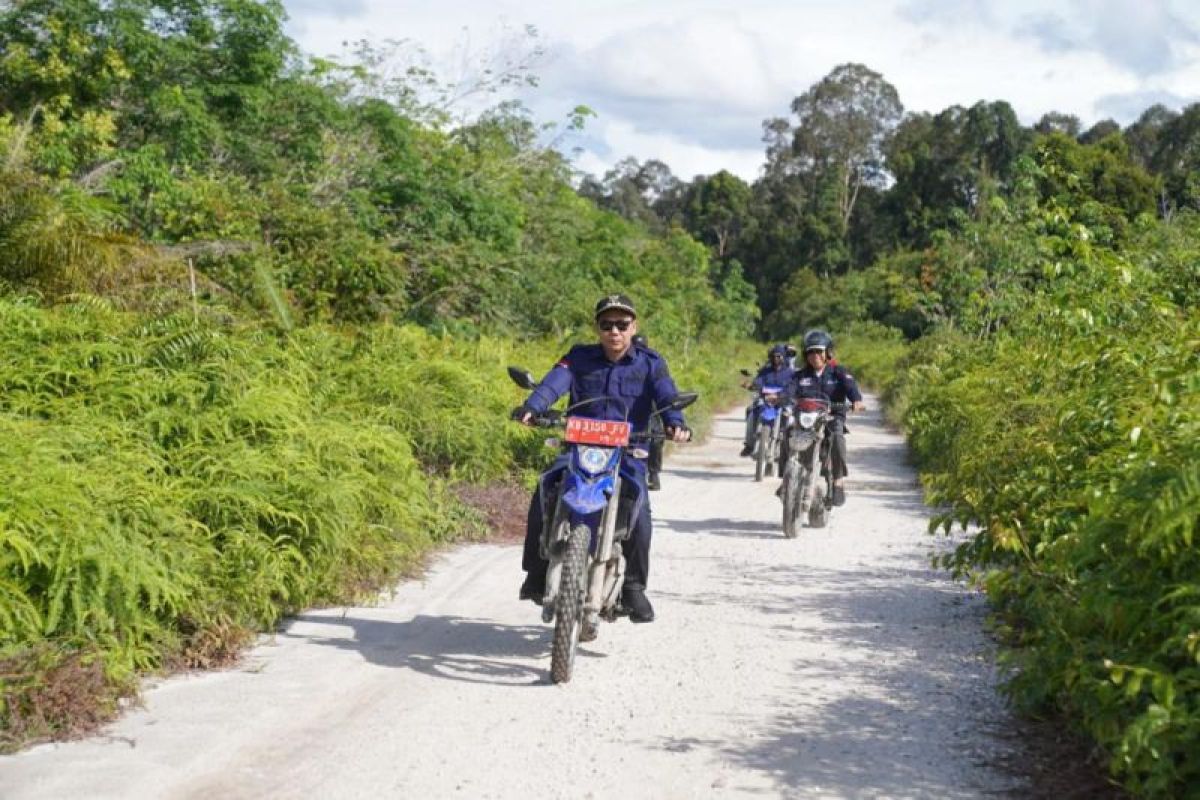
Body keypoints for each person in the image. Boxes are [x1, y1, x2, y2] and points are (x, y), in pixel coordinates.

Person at [512, 294, 690, 623]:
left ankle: (634, 587)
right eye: (607, 325)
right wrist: (532, 407)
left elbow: (666, 393)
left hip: (627, 455)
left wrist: (675, 423)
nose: (614, 332)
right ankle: (536, 573)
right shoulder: (579, 358)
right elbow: (554, 383)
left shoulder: (650, 363)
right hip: (578, 450)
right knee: (544, 491)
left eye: (622, 325)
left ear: (633, 327)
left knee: (641, 515)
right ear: (598, 328)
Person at [784, 329, 865, 505]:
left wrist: (856, 400)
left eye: (818, 351)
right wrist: (785, 401)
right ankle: (786, 478)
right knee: (787, 432)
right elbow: (789, 390)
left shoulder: (838, 372)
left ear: (828, 352)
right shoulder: (800, 375)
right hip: (806, 419)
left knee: (837, 438)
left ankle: (838, 481)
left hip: (831, 417)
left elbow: (850, 386)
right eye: (810, 352)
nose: (814, 356)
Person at [739, 344, 796, 458]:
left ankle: (791, 448)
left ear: (784, 357)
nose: (776, 359)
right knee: (751, 412)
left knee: (793, 419)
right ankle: (750, 444)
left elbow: (793, 387)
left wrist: (781, 395)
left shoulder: (791, 373)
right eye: (774, 356)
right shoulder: (765, 371)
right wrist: (752, 385)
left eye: (779, 356)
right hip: (766, 401)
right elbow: (758, 381)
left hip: (783, 402)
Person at [631, 334, 665, 491]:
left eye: (641, 348)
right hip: (630, 408)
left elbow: (664, 386)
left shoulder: (653, 362)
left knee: (656, 439)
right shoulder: (623, 363)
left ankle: (654, 473)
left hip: (652, 407)